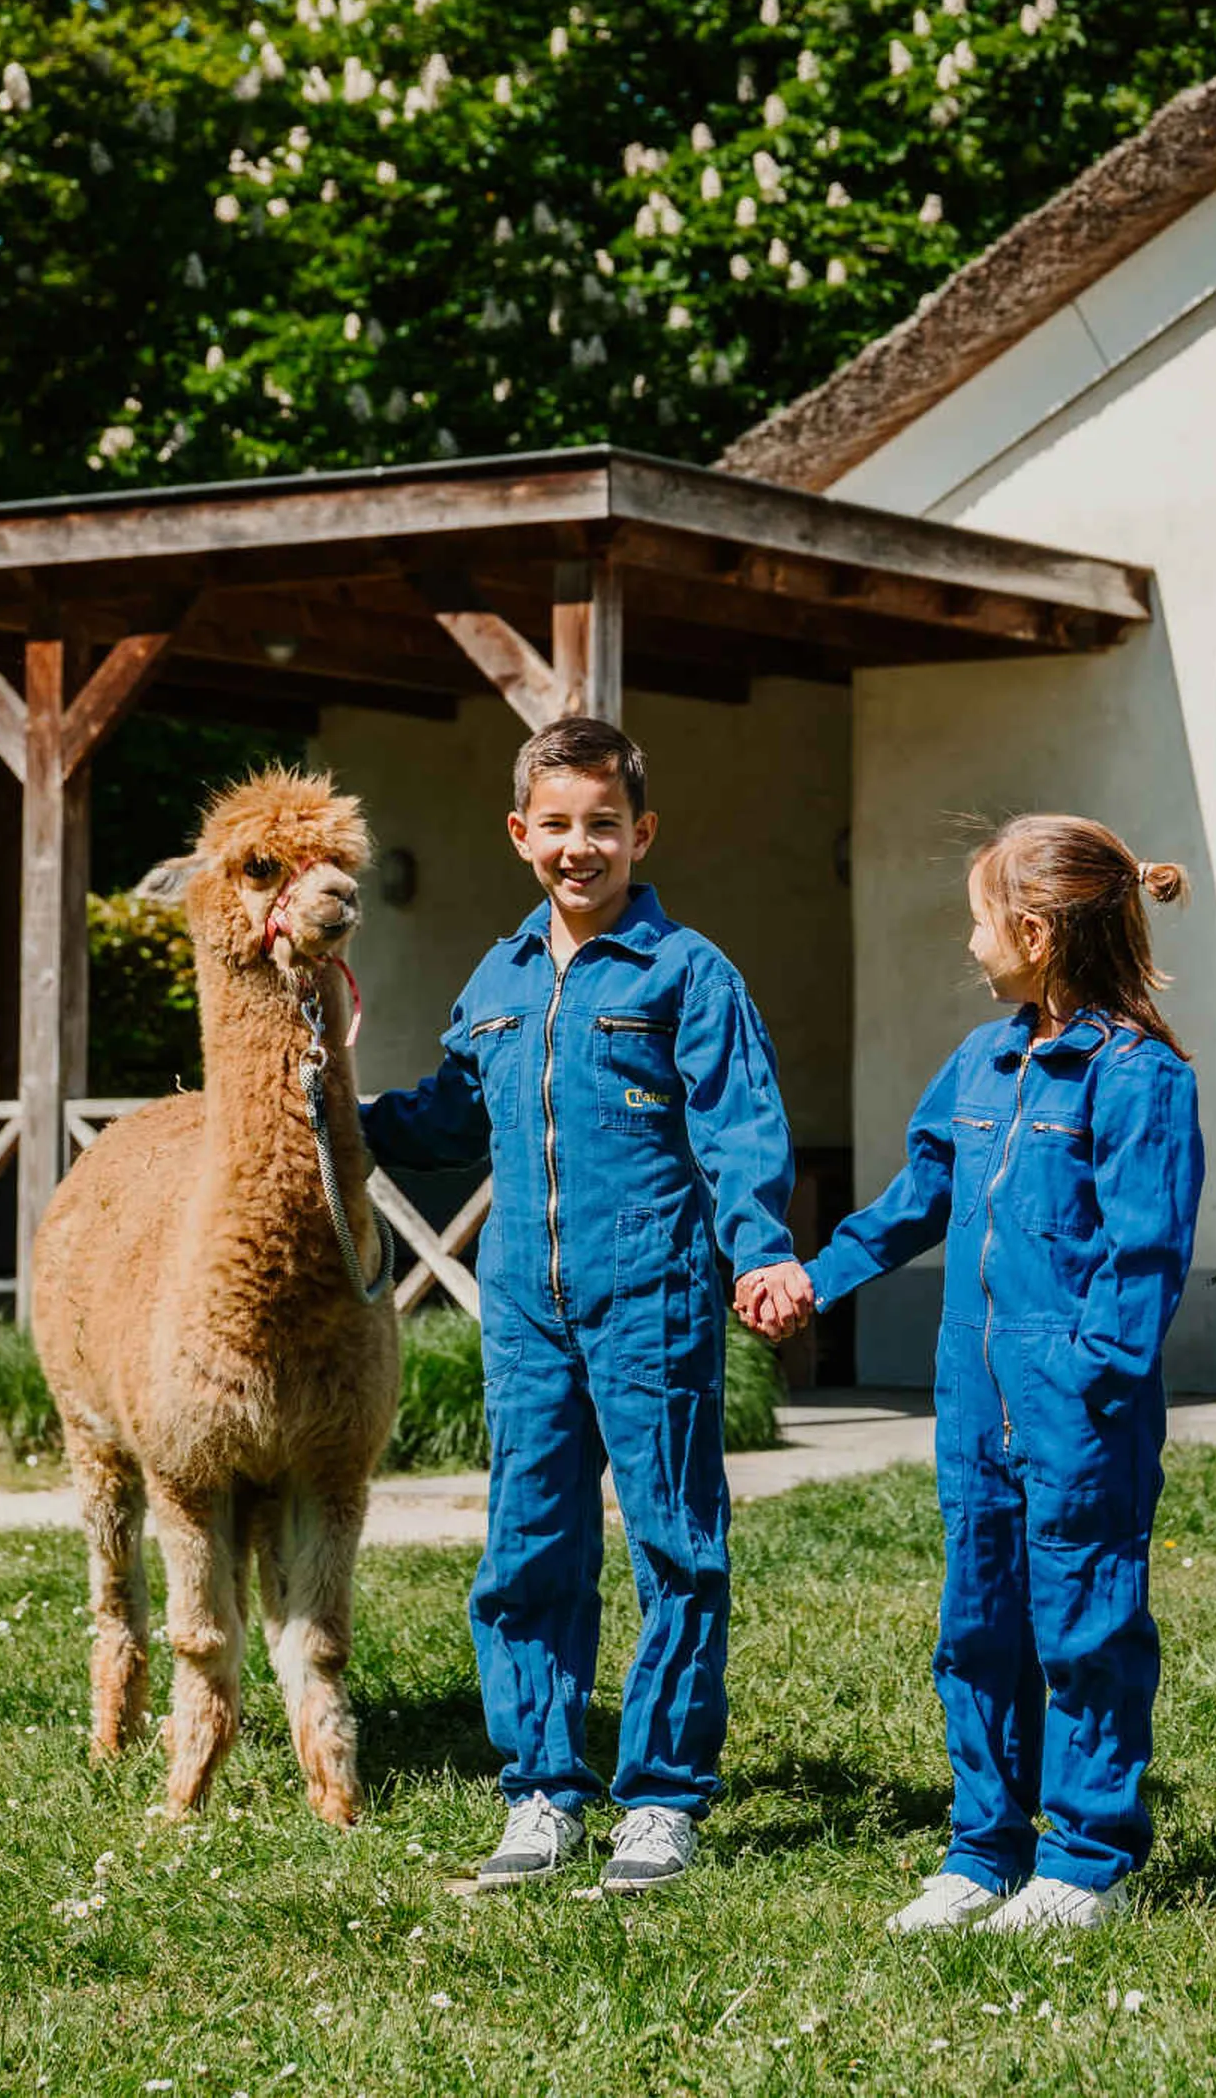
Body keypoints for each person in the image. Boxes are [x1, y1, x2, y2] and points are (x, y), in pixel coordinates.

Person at [737, 815, 1203, 1933]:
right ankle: (986, 1849)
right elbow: (912, 1205)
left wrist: (1090, 1393)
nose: (969, 939)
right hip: (973, 1415)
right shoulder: (981, 1062)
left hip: (1081, 1421)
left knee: (1085, 1632)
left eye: (981, 917)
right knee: (979, 1630)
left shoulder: (1142, 1080)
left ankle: (1089, 1858)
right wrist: (814, 1275)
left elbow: (1143, 1269)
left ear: (1035, 933)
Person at [364, 717, 801, 1894]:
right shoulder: (496, 977)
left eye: (602, 824)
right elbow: (451, 1117)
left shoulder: (686, 973)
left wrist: (758, 1251)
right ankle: (544, 1791)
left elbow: (741, 1133)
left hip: (651, 1298)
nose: (579, 846)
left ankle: (659, 1798)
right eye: (555, 825)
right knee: (528, 1549)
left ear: (640, 832)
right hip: (524, 1313)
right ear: (519, 834)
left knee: (676, 1548)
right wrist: (339, 1118)